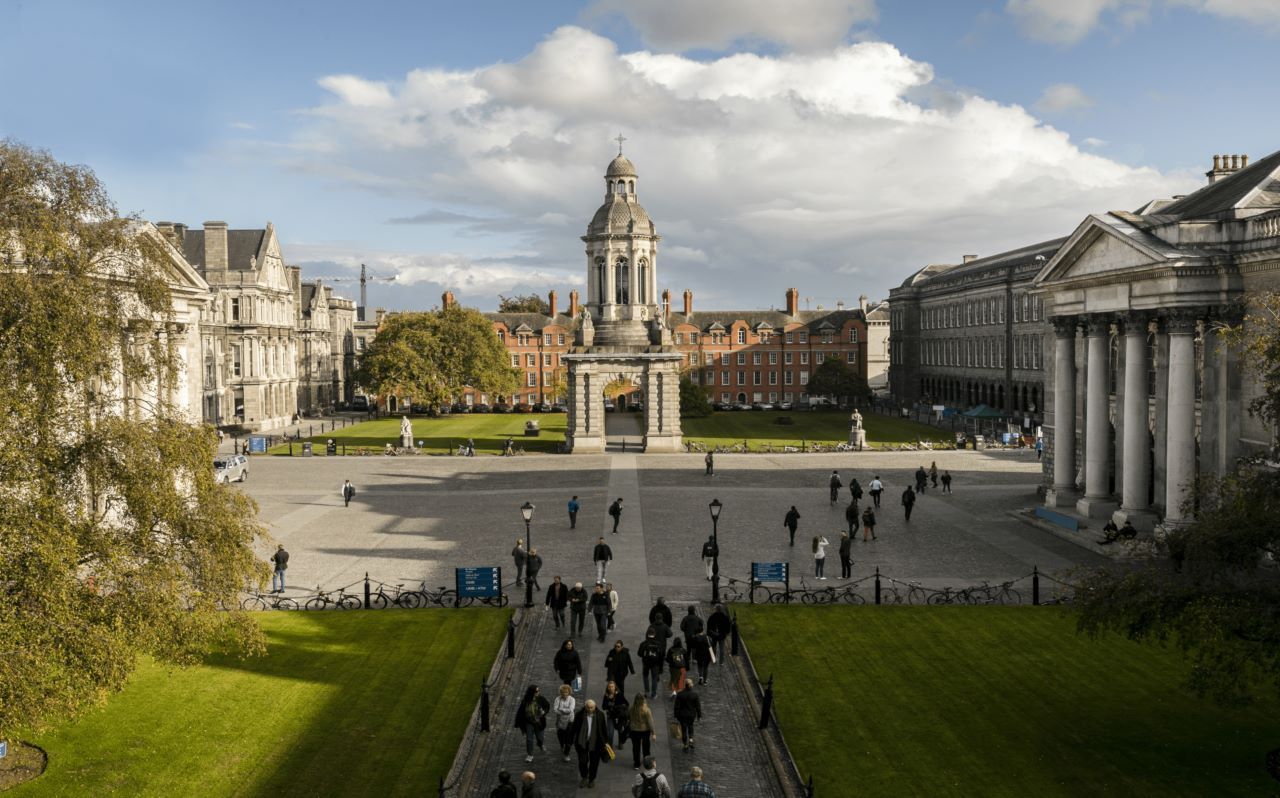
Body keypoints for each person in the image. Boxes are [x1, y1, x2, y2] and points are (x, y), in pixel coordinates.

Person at [572, 699, 610, 788]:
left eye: (591, 707)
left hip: (596, 743)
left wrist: (606, 742)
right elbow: (574, 729)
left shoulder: (600, 715)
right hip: (582, 742)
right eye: (588, 707)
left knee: (594, 762)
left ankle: (591, 779)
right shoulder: (579, 715)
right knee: (582, 761)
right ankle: (584, 777)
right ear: (585, 707)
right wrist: (569, 742)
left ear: (595, 706)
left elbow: (604, 730)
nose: (590, 709)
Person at [513, 684, 550, 763]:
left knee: (540, 737)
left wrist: (544, 712)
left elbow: (547, 705)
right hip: (529, 722)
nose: (538, 692)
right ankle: (530, 755)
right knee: (529, 739)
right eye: (536, 691)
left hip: (539, 722)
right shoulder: (525, 701)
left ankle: (540, 744)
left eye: (538, 690)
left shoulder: (540, 699)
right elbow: (520, 712)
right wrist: (518, 723)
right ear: (532, 692)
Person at [628, 694, 657, 770]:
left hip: (634, 730)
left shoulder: (631, 709)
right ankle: (647, 762)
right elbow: (650, 722)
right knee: (646, 747)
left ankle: (636, 764)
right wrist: (653, 733)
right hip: (645, 731)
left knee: (636, 748)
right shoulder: (646, 710)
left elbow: (629, 719)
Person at [673, 682, 702, 751]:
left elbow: (676, 706)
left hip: (682, 715)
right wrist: (699, 715)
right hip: (691, 714)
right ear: (690, 686)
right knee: (690, 726)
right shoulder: (695, 695)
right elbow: (698, 706)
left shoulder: (680, 694)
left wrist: (676, 715)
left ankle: (685, 744)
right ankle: (691, 739)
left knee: (683, 729)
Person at [552, 684, 577, 762]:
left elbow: (571, 710)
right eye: (563, 692)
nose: (564, 694)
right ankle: (562, 744)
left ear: (569, 692)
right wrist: (565, 710)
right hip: (560, 721)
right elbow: (555, 710)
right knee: (560, 736)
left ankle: (566, 754)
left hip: (570, 721)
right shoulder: (557, 699)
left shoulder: (572, 699)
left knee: (569, 739)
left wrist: (561, 709)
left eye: (566, 692)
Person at [602, 679, 630, 748]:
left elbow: (627, 703)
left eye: (612, 686)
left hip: (619, 716)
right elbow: (603, 706)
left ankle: (620, 743)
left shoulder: (619, 695)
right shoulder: (606, 696)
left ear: (615, 687)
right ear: (608, 688)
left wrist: (619, 707)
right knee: (610, 733)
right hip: (610, 716)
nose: (611, 688)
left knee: (620, 730)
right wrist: (608, 705)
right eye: (610, 687)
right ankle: (610, 747)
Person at [638, 628, 664, 699]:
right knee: (654, 678)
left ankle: (646, 692)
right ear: (655, 634)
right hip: (655, 664)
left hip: (646, 663)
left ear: (647, 634)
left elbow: (639, 654)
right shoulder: (658, 644)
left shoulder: (644, 643)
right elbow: (661, 655)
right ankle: (653, 694)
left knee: (645, 676)